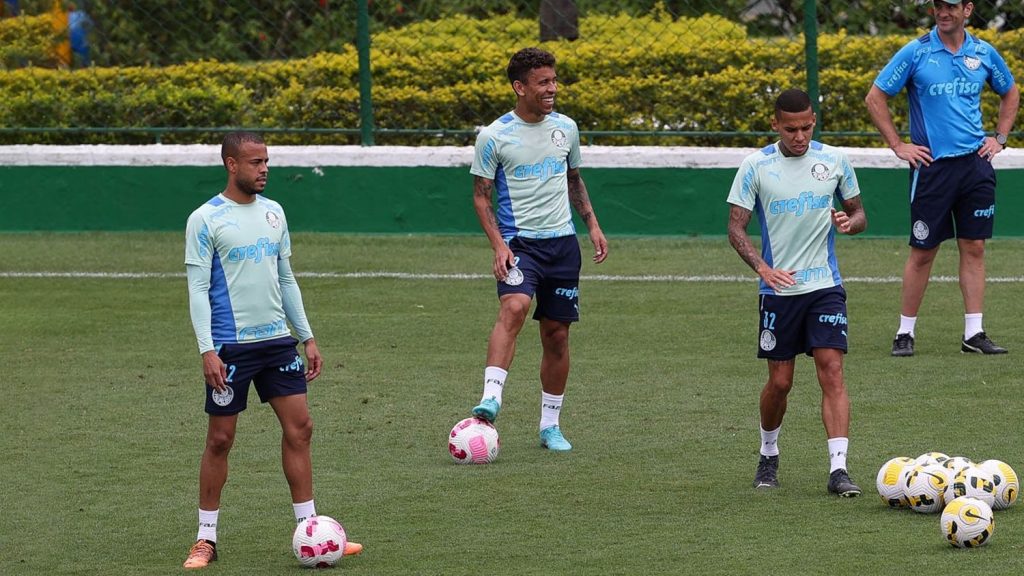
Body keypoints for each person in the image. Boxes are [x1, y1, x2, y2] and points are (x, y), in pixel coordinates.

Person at [182, 132, 361, 569]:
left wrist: (307, 335)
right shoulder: (205, 219)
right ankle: (206, 539)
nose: (264, 169)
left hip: (278, 341)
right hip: (230, 348)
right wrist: (207, 350)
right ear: (231, 164)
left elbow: (286, 279)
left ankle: (311, 529)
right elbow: (198, 288)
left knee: (301, 429)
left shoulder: (274, 213)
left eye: (266, 161)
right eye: (255, 162)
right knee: (221, 440)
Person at [726, 89, 867, 496]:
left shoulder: (835, 161)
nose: (800, 136)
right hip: (778, 292)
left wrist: (848, 223)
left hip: (825, 286)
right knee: (781, 383)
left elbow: (860, 214)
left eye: (807, 127)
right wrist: (762, 268)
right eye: (791, 129)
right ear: (776, 125)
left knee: (832, 369)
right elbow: (736, 227)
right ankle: (768, 453)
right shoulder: (755, 166)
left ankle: (839, 469)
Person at [469, 47, 608, 452]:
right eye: (543, 82)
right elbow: (480, 197)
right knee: (514, 307)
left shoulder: (566, 128)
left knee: (557, 336)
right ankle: (492, 395)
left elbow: (574, 180)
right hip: (519, 244)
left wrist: (593, 225)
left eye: (553, 80)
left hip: (563, 246)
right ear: (519, 87)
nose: (552, 89)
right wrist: (498, 246)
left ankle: (550, 425)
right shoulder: (494, 136)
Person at [865, 0, 1019, 357]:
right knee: (922, 251)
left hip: (975, 166)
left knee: (975, 247)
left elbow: (1009, 91)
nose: (943, 12)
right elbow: (875, 97)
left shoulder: (983, 52)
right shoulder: (916, 52)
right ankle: (905, 332)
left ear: (968, 9)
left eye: (951, 6)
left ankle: (974, 332)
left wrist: (1000, 137)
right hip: (931, 168)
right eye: (938, 6)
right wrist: (897, 145)